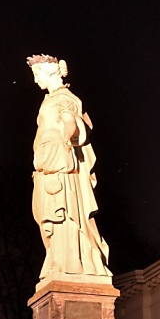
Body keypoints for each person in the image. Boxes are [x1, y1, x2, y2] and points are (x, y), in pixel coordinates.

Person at [26, 54, 111, 283]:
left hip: (61, 168)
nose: (35, 81)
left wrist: (67, 136)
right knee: (47, 221)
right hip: (46, 166)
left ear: (51, 72)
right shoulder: (49, 100)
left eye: (37, 75)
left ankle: (71, 262)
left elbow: (71, 122)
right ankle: (57, 261)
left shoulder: (65, 98)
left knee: (62, 215)